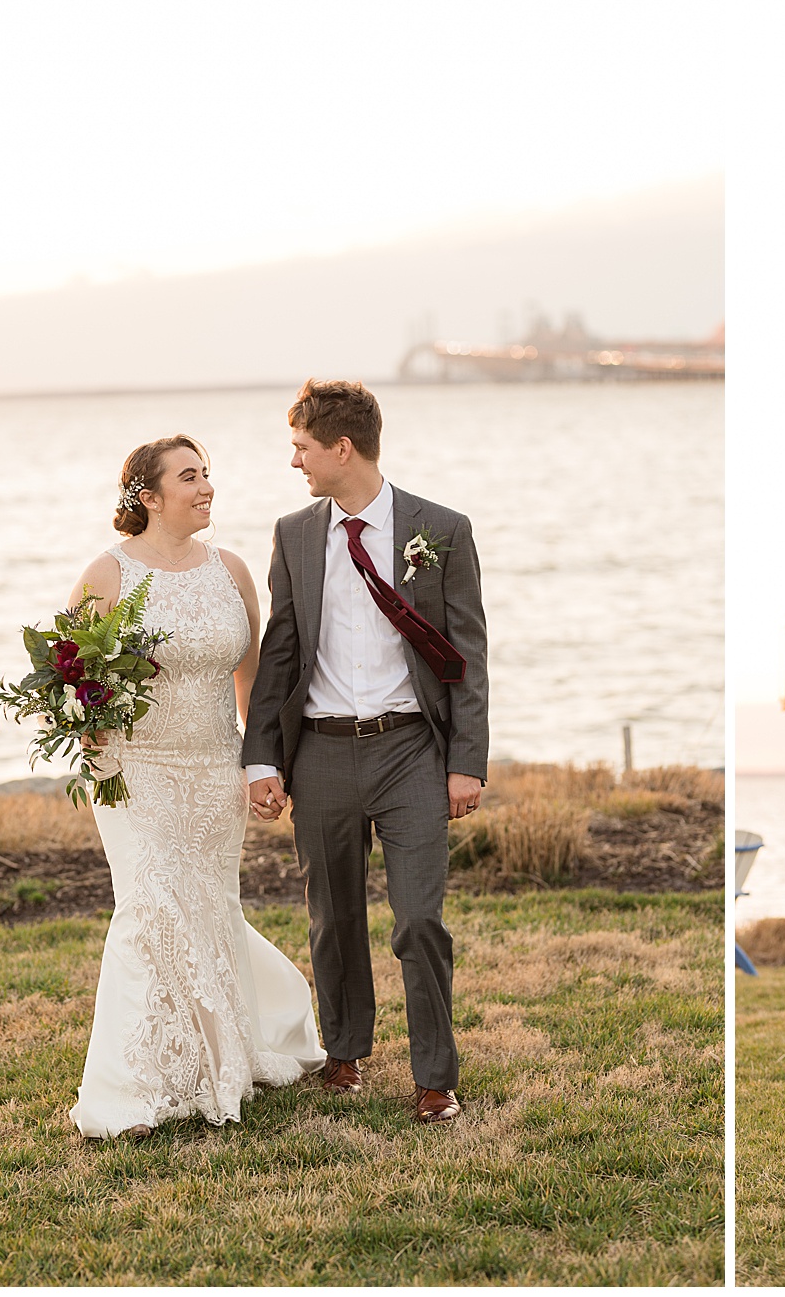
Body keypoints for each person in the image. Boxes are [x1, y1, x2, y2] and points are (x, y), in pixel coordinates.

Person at [242, 379, 489, 1126]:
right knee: (332, 916)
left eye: (303, 448)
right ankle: (344, 1050)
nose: (296, 463)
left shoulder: (441, 529)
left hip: (411, 749)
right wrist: (262, 758)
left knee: (419, 919)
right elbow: (280, 652)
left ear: (341, 449)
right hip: (319, 751)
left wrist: (467, 760)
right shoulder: (294, 533)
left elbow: (467, 653)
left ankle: (435, 1077)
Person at [69, 435, 326, 1140]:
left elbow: (252, 682)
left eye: (207, 473)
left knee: (206, 908)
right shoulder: (107, 575)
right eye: (189, 477)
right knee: (151, 906)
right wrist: (87, 726)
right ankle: (134, 1086)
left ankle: (220, 1059)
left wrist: (262, 764)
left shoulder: (231, 571)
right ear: (149, 497)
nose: (206, 486)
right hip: (135, 770)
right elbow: (74, 680)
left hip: (215, 767)